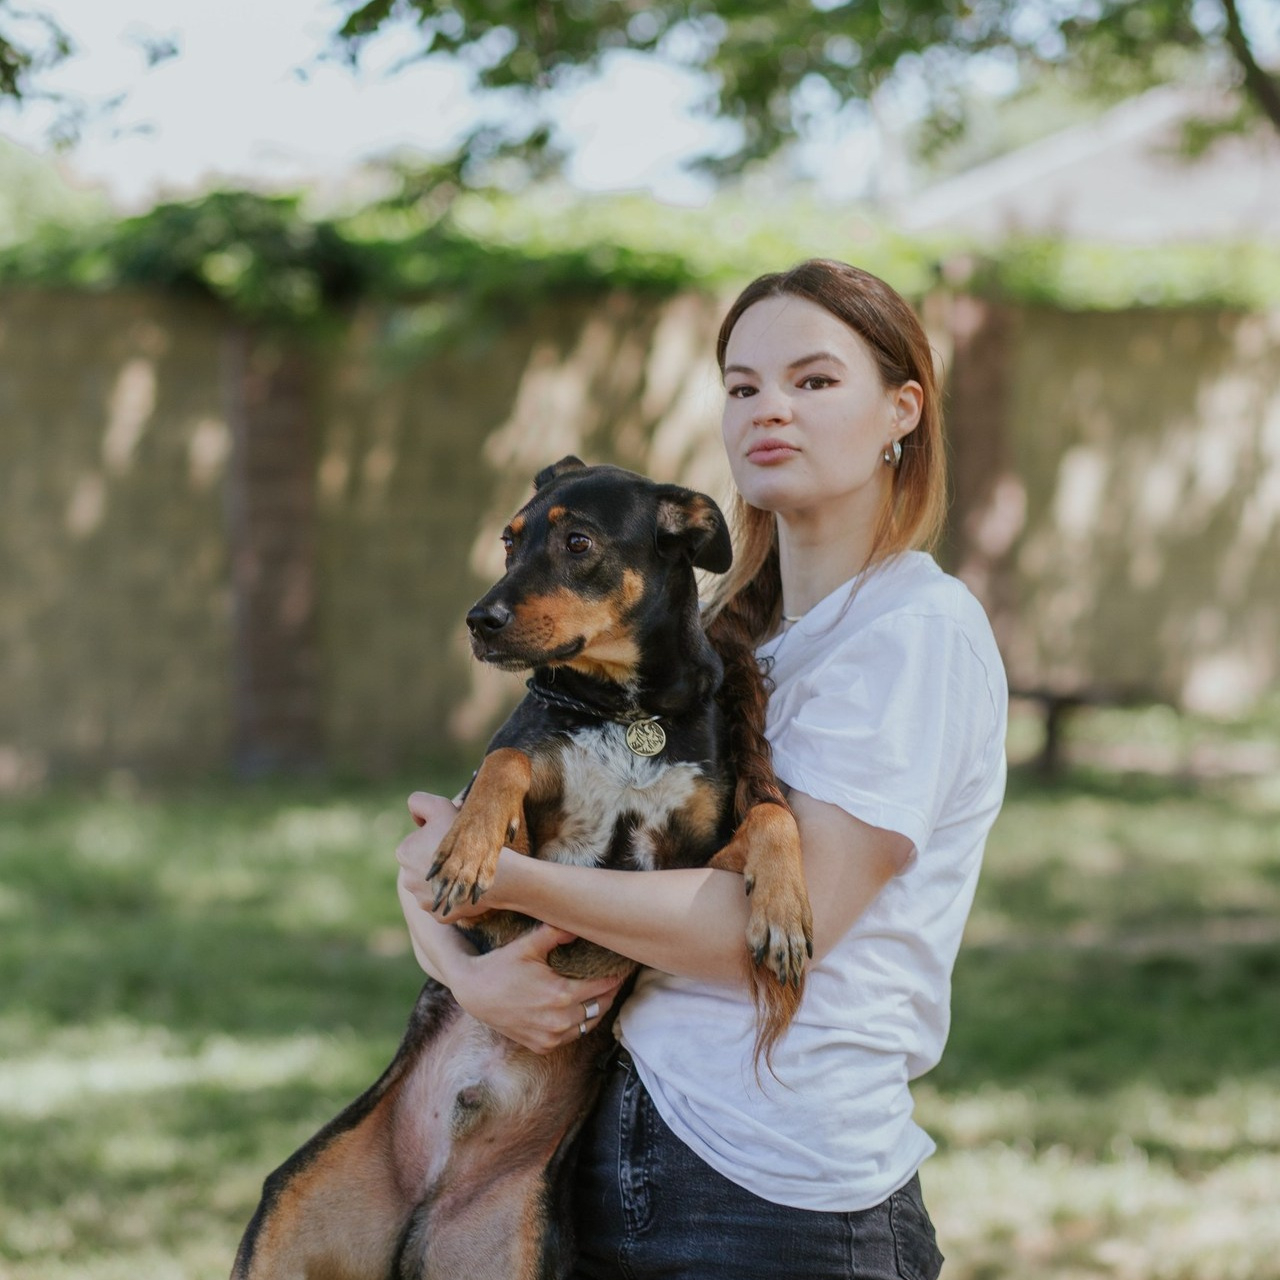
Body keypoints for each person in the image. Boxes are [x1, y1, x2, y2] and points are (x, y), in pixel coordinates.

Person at [396, 258, 1008, 1279]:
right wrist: (468, 973)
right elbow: (443, 843)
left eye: (813, 381)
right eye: (741, 384)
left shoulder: (915, 629)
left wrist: (504, 880)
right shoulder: (719, 643)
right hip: (588, 1139)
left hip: (775, 1189)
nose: (769, 407)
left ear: (901, 408)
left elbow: (759, 937)